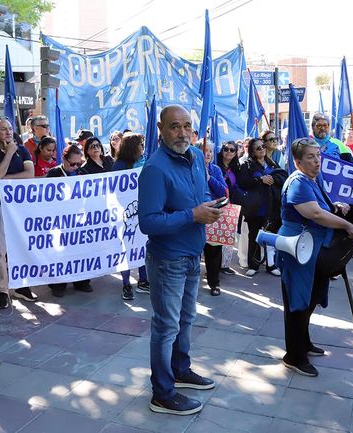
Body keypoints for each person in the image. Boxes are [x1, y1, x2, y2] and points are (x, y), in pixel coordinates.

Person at [138, 104, 221, 415]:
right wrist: (192, 214)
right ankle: (162, 392)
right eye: (174, 126)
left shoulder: (198, 157)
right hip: (167, 260)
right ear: (161, 130)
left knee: (186, 320)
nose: (182, 133)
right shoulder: (155, 168)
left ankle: (180, 370)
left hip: (191, 254)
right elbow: (149, 222)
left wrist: (208, 207)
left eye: (187, 126)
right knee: (166, 326)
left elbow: (195, 199)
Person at [276, 137, 353, 377]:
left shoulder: (313, 178)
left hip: (314, 250)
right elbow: (314, 214)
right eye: (310, 157)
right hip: (298, 250)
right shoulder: (298, 182)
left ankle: (304, 342)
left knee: (310, 299)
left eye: (318, 156)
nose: (316, 161)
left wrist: (336, 207)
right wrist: (346, 225)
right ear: (297, 161)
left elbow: (322, 207)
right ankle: (294, 355)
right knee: (298, 302)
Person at [0, 119, 36, 309]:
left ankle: (21, 284)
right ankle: (2, 289)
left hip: (20, 207)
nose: (9, 132)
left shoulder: (23, 149)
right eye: (4, 129)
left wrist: (5, 180)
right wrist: (10, 153)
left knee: (20, 246)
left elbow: (30, 173)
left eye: (10, 129)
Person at [46, 144, 94, 297]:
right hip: (60, 220)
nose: (75, 167)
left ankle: (82, 281)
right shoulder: (54, 174)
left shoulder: (82, 172)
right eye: (72, 164)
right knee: (60, 253)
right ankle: (58, 284)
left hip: (79, 218)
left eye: (78, 163)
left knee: (80, 251)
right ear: (64, 159)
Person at [112, 133, 150, 300]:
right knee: (125, 249)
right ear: (132, 148)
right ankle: (126, 284)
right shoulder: (119, 166)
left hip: (143, 210)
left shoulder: (145, 162)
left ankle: (143, 280)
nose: (143, 148)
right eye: (140, 145)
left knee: (143, 246)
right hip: (125, 213)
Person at [237, 137, 281, 277]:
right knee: (254, 236)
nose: (262, 149)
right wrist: (259, 180)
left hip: (272, 207)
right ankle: (253, 264)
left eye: (263, 146)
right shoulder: (247, 165)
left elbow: (282, 177)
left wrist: (273, 179)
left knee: (270, 236)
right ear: (252, 151)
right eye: (258, 148)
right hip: (255, 208)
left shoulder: (273, 164)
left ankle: (271, 264)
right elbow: (243, 182)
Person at [199, 140, 227, 296]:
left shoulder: (215, 170)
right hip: (196, 214)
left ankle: (214, 283)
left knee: (214, 252)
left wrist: (210, 178)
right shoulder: (191, 168)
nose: (208, 154)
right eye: (205, 151)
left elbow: (224, 191)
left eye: (210, 151)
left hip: (213, 215)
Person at [216, 140, 240, 275]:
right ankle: (214, 266)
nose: (228, 152)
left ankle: (225, 264)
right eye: (226, 149)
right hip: (218, 203)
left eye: (232, 150)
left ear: (236, 153)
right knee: (215, 237)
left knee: (229, 235)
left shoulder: (237, 167)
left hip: (232, 205)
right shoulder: (216, 166)